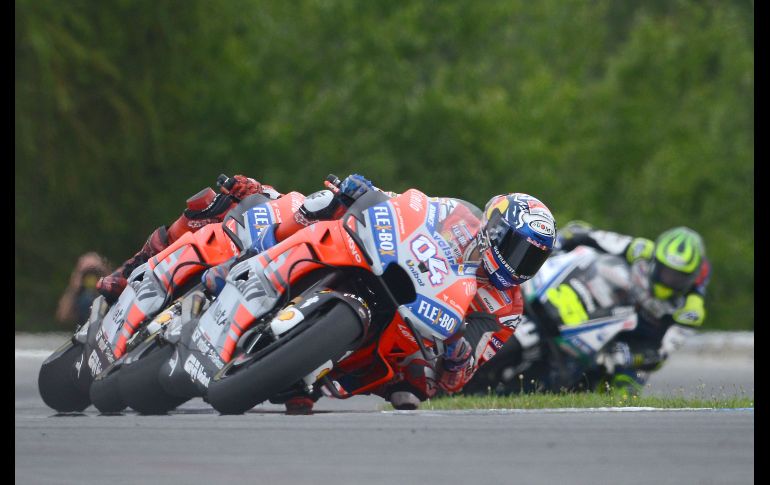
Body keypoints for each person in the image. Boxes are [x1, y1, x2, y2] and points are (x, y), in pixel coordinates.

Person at [556, 221, 710, 395]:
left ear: (691, 278)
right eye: (665, 272)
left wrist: (624, 356)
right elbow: (589, 234)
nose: (668, 281)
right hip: (605, 315)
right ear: (655, 260)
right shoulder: (641, 249)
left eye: (678, 278)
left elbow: (660, 355)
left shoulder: (690, 312)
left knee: (623, 393)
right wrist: (561, 241)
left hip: (634, 346)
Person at [56, 252, 112, 325]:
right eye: (87, 272)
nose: (91, 274)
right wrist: (74, 287)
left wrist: (105, 277)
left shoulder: (109, 292)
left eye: (95, 271)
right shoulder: (78, 296)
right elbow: (63, 316)